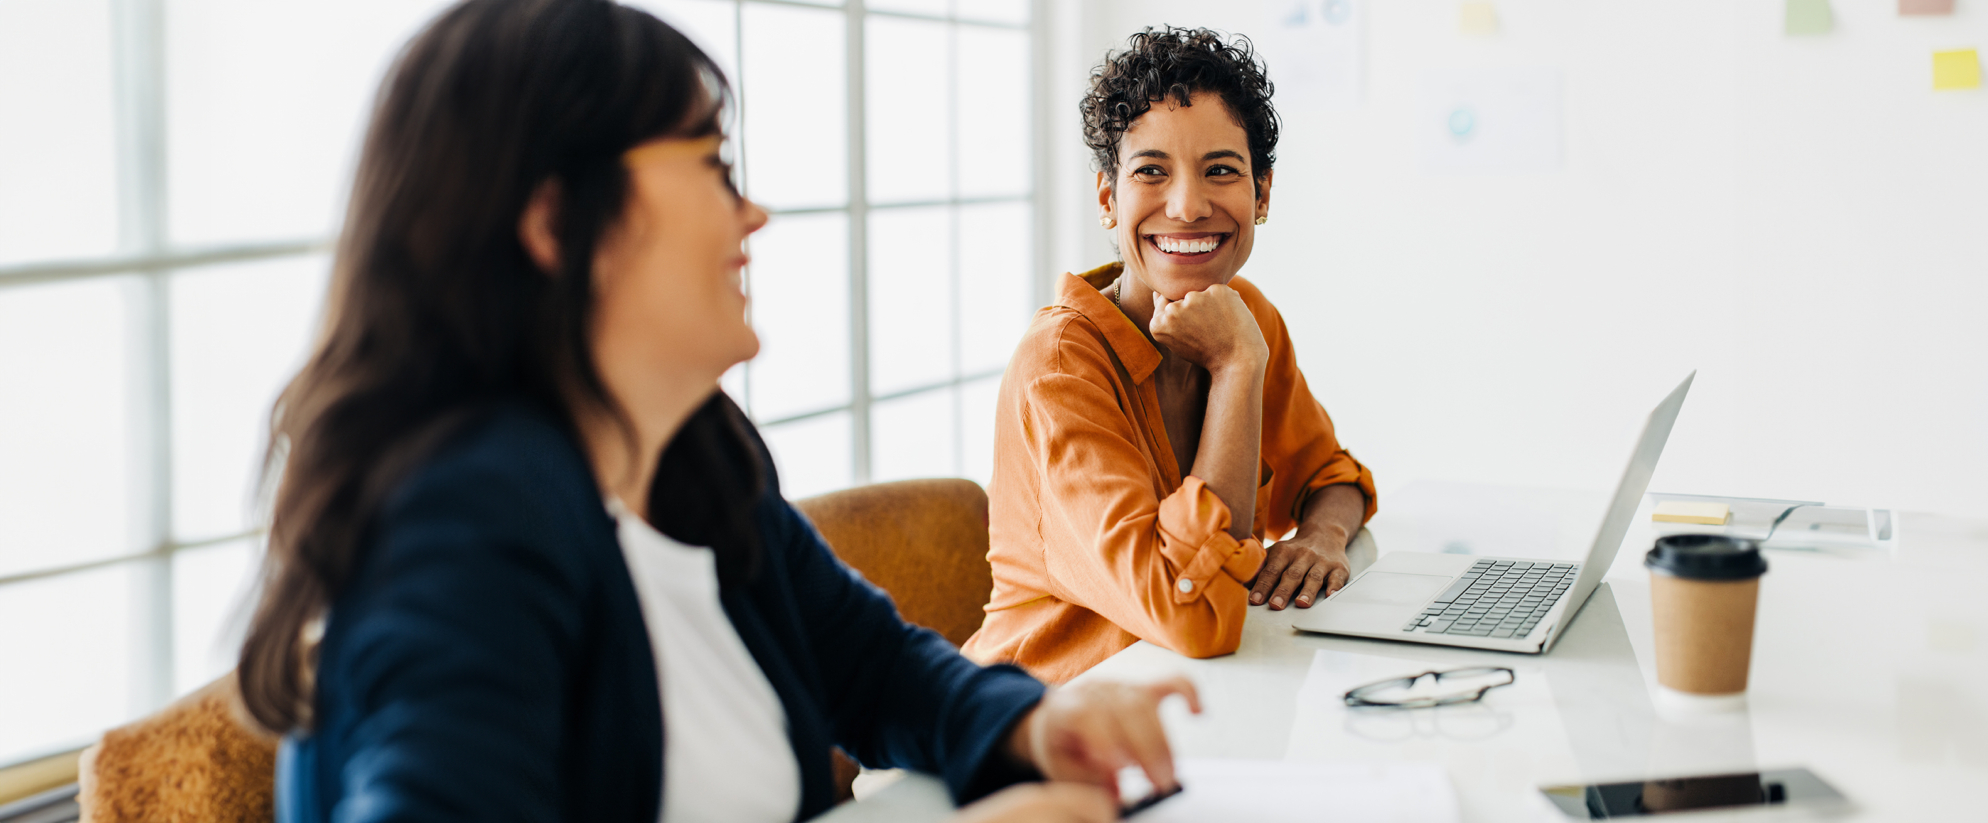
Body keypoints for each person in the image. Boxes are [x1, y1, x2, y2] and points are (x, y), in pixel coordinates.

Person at [234, 2, 1193, 821]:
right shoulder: (464, 525)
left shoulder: (693, 455)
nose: (752, 215)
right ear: (557, 220)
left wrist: (1033, 720)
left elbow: (871, 665)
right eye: (712, 167)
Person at [963, 27, 1377, 685]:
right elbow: (1194, 615)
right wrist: (1238, 367)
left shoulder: (1247, 313)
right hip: (1044, 720)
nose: (1186, 206)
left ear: (1261, 195)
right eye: (1151, 171)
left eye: (1220, 170)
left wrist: (1319, 537)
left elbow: (1329, 474)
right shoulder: (1063, 366)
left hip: (1189, 702)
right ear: (1108, 198)